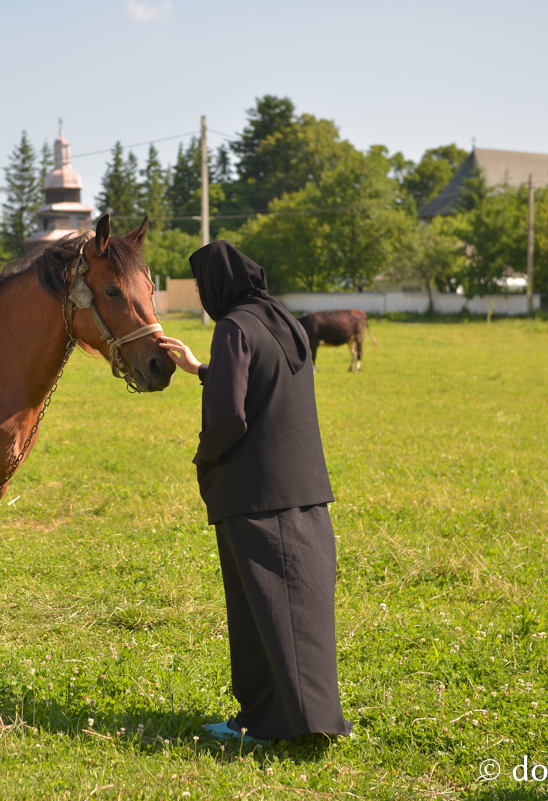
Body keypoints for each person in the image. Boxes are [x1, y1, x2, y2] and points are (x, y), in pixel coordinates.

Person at [159, 241, 352, 742]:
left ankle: (286, 725)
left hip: (255, 494)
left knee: (261, 615)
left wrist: (205, 458)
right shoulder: (281, 321)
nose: (202, 295)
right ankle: (277, 719)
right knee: (293, 610)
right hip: (303, 489)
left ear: (219, 285)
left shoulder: (232, 328)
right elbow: (260, 381)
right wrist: (201, 369)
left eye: (201, 287)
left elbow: (229, 415)